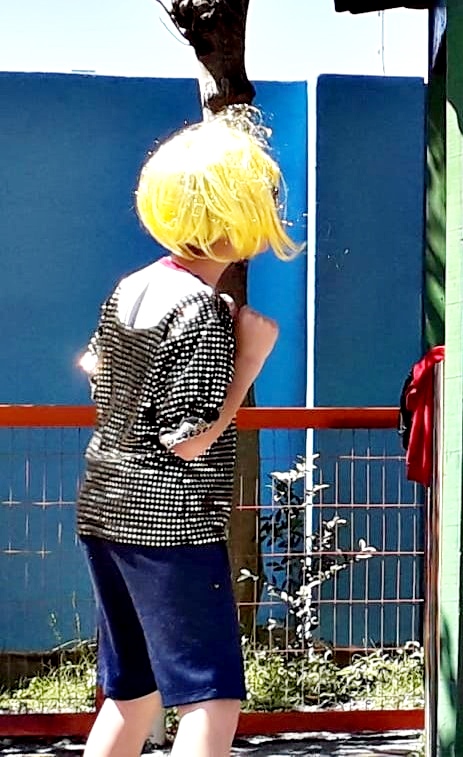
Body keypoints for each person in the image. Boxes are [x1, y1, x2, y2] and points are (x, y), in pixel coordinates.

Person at [76, 108, 300, 757]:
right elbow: (189, 438)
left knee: (133, 692)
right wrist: (249, 359)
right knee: (211, 697)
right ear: (238, 216)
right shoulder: (200, 309)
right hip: (169, 523)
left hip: (105, 505)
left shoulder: (134, 286)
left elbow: (94, 367)